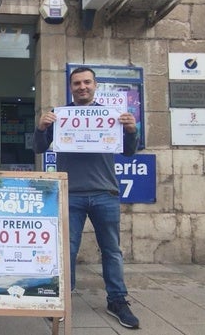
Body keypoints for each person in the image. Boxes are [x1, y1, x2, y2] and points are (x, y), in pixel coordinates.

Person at [33, 66, 140, 329]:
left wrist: (131, 130)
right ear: (71, 87)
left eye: (87, 82)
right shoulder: (60, 116)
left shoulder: (111, 116)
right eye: (77, 83)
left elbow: (128, 153)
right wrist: (41, 127)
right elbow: (38, 148)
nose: (82, 87)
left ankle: (117, 300)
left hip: (105, 193)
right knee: (66, 250)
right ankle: (62, 298)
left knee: (112, 250)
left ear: (95, 85)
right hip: (70, 193)